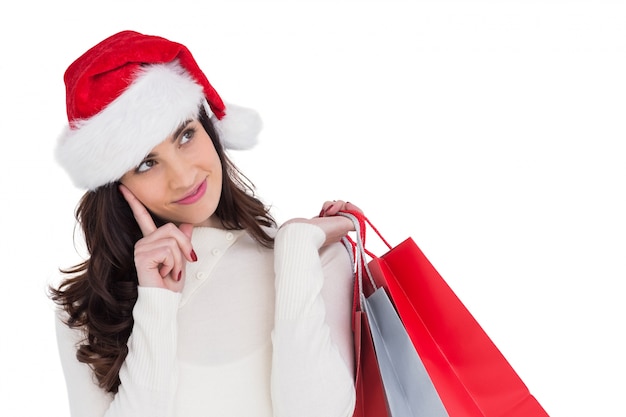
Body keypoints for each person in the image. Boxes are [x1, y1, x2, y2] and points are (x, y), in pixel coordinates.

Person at [50, 30, 359, 417]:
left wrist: (295, 247)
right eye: (146, 163)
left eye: (185, 135)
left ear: (210, 129)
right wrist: (157, 303)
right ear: (117, 185)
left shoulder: (314, 257)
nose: (182, 177)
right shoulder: (87, 310)